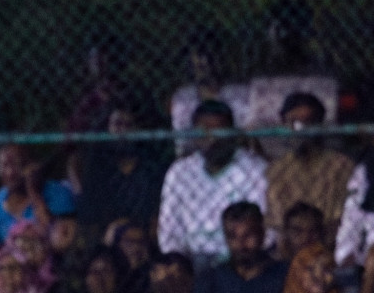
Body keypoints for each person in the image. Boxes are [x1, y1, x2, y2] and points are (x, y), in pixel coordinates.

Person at [158, 100, 268, 266]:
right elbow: (168, 231)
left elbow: (266, 228)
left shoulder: (255, 169)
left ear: (232, 134)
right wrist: (178, 261)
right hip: (191, 260)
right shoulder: (180, 172)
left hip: (241, 257)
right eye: (205, 133)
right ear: (194, 135)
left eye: (219, 132)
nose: (213, 140)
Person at [264, 92, 355, 245]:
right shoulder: (276, 171)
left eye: (309, 123)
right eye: (295, 123)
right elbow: (276, 223)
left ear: (320, 124)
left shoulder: (341, 166)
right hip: (289, 249)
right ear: (284, 123)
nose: (302, 131)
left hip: (330, 245)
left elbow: (343, 219)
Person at [75, 104, 166, 239]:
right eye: (118, 124)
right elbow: (90, 217)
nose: (123, 131)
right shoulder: (98, 170)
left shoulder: (151, 170)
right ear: (108, 129)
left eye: (129, 126)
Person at [0, 145, 75, 248]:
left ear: (32, 164)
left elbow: (60, 241)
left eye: (17, 164)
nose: (10, 173)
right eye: (4, 165)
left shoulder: (57, 193)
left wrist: (33, 192)